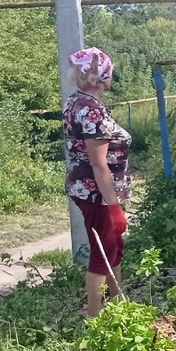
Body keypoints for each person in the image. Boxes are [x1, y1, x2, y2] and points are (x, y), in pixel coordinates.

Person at [62, 47, 131, 318]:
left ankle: (118, 302)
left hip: (90, 188)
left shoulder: (76, 102)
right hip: (96, 191)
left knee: (112, 245)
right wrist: (114, 207)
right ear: (101, 76)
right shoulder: (91, 110)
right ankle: (95, 317)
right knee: (103, 250)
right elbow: (98, 162)